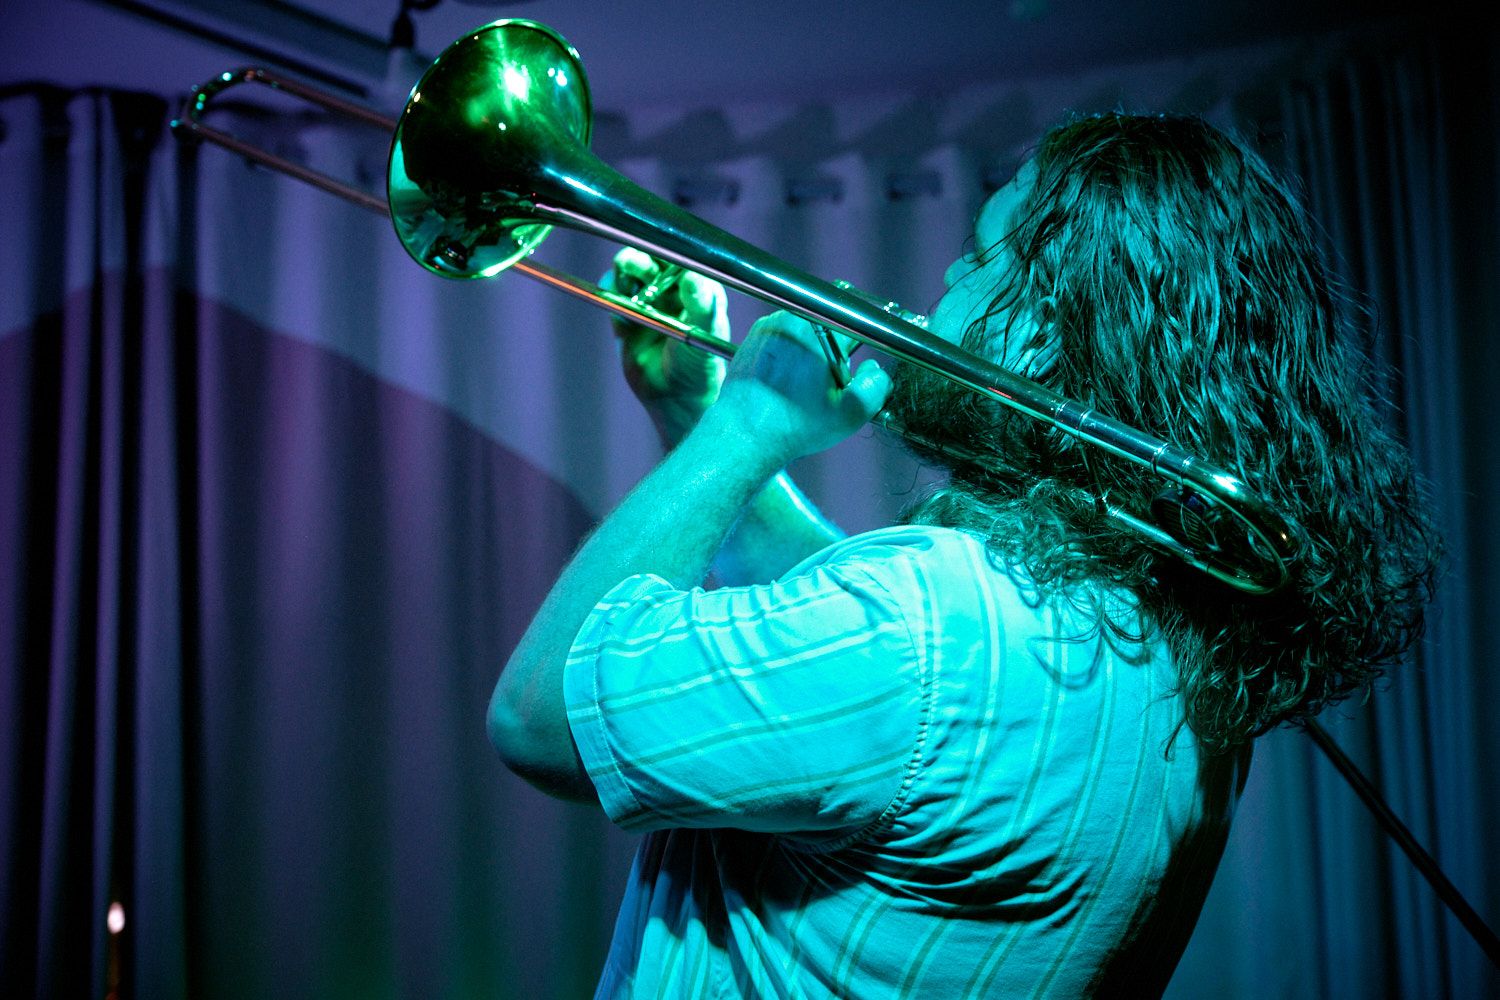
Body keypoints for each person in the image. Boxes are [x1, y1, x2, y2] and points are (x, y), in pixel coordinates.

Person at [486, 113, 1439, 998]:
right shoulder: (1170, 653)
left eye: (979, 256)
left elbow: (537, 715)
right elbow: (873, 679)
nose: (945, 273)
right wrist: (697, 406)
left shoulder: (926, 623)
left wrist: (743, 432)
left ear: (1044, 335)